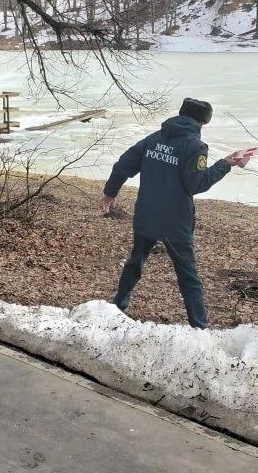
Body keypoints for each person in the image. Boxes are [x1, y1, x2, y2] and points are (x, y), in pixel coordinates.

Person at [102, 98, 246, 329]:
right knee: (188, 274)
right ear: (202, 123)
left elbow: (123, 165)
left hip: (147, 214)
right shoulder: (195, 147)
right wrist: (226, 164)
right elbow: (196, 184)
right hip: (175, 221)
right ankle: (199, 327)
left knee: (136, 261)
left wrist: (110, 193)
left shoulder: (153, 139)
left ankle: (118, 304)